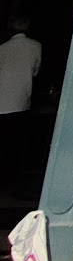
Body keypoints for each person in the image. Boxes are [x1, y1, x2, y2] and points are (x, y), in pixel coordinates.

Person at [0, 18, 42, 175]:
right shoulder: (35, 46)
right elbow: (35, 71)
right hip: (20, 100)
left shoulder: (2, 48)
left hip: (2, 99)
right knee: (16, 141)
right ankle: (13, 173)